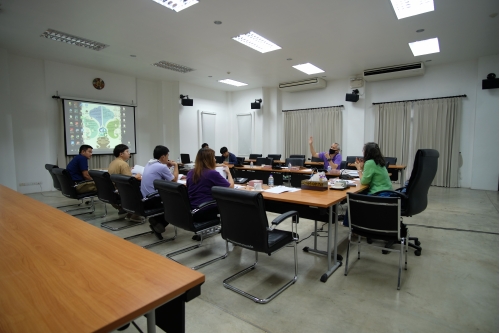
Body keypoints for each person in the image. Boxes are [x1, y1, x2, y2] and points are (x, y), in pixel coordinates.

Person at [343, 142, 393, 227]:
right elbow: (369, 177)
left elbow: (364, 182)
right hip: (387, 192)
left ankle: (351, 225)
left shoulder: (370, 163)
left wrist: (359, 169)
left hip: (379, 194)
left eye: (364, 150)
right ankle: (354, 223)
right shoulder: (379, 162)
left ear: (367, 152)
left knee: (352, 198)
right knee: (359, 193)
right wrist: (363, 168)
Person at [140, 145, 178, 239]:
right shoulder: (161, 167)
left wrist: (166, 166)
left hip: (144, 198)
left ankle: (156, 221)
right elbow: (174, 180)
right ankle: (159, 225)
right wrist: (176, 166)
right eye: (168, 156)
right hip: (153, 199)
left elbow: (161, 175)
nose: (168, 159)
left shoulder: (149, 163)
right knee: (177, 205)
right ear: (163, 157)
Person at [186, 148, 234, 221]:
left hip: (191, 209)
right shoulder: (212, 173)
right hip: (205, 210)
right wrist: (228, 172)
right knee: (233, 204)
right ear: (209, 159)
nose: (215, 160)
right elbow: (230, 187)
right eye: (213, 157)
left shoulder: (190, 172)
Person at [108, 144, 142, 221]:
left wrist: (128, 170)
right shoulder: (123, 164)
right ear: (121, 154)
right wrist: (136, 177)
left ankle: (129, 211)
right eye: (127, 151)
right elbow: (129, 181)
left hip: (114, 189)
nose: (129, 153)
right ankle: (135, 214)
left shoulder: (113, 162)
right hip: (122, 191)